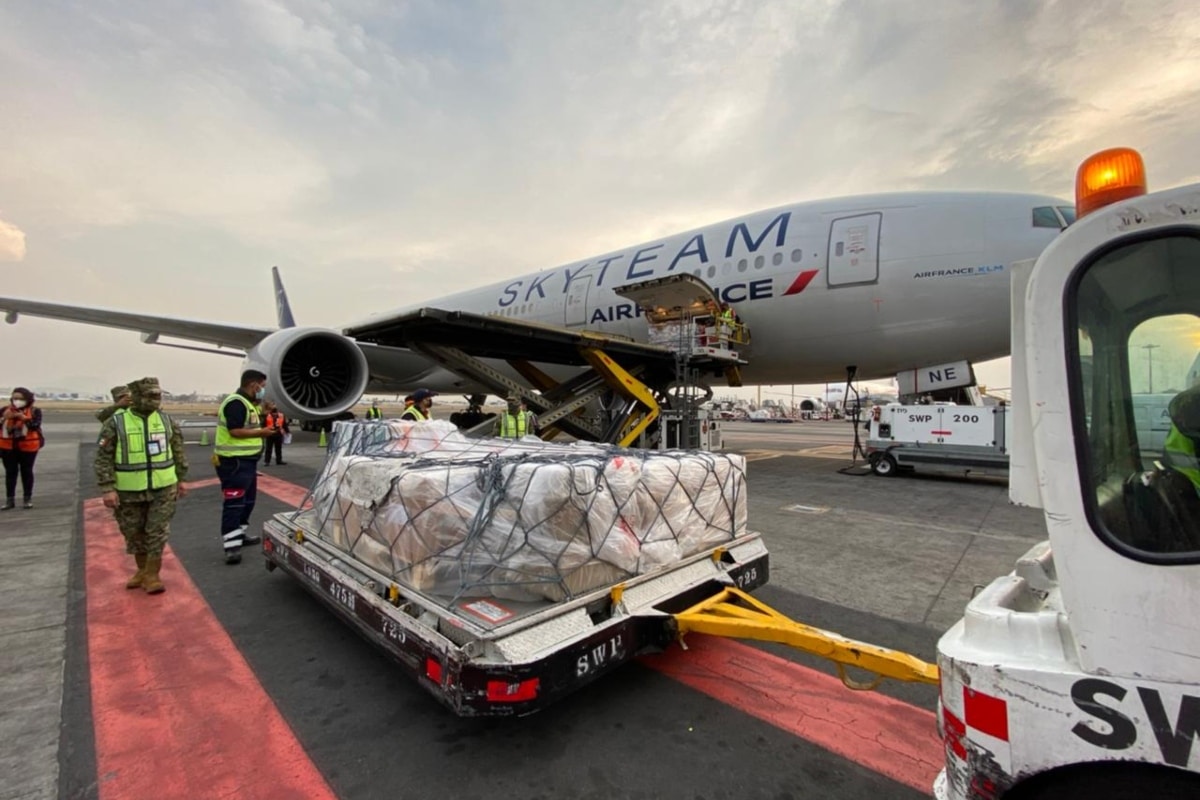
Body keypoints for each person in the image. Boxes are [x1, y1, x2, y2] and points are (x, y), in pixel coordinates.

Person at [95, 377, 188, 593]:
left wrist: (182, 478)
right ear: (136, 397)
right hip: (128, 490)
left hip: (163, 487)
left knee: (156, 530)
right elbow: (103, 457)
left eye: (158, 396)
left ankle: (153, 574)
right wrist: (107, 488)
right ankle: (142, 569)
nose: (155, 400)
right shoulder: (116, 423)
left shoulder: (167, 421)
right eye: (150, 396)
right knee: (133, 532)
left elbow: (178, 452)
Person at [214, 369, 273, 564]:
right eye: (262, 387)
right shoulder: (236, 403)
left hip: (247, 461)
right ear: (253, 384)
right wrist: (261, 433)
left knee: (248, 502)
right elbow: (235, 431)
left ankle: (239, 534)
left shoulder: (249, 404)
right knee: (235, 502)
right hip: (234, 461)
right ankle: (231, 546)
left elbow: (248, 426)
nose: (263, 391)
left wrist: (264, 415)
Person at [1, 387, 43, 510]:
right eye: (15, 398)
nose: (17, 401)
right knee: (10, 473)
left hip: (28, 446)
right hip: (8, 446)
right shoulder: (5, 410)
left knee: (27, 472)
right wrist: (4, 418)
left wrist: (24, 419)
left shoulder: (35, 411)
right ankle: (10, 500)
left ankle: (27, 498)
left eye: (20, 399)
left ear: (28, 399)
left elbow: (35, 426)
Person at [262, 401, 290, 466]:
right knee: (269, 448)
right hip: (270, 433)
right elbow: (263, 424)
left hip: (278, 433)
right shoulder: (267, 415)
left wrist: (287, 431)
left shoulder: (281, 415)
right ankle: (267, 461)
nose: (275, 414)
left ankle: (279, 460)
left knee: (278, 448)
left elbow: (284, 424)